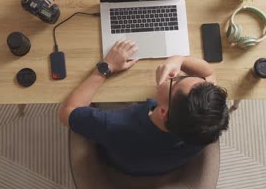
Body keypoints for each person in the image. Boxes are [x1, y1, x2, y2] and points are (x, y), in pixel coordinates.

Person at [59, 40, 229, 176]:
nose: (177, 74)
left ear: (163, 112)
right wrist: (178, 60)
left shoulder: (115, 124)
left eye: (176, 81)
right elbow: (208, 74)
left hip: (122, 164)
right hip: (163, 165)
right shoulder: (204, 127)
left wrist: (106, 67)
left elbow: (66, 113)